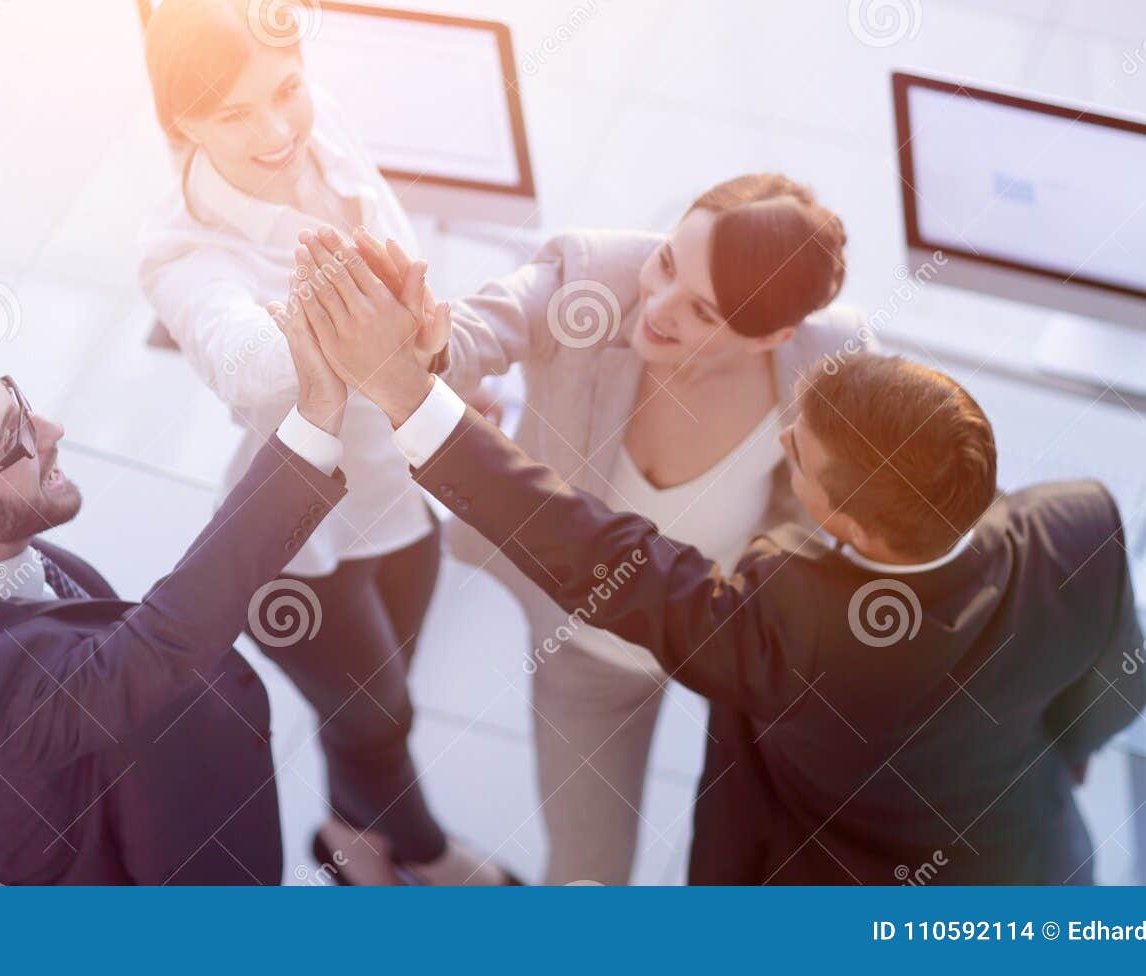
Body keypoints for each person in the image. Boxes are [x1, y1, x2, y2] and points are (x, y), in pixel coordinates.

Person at [273, 252, 1146, 885]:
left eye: (797, 458)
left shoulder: (789, 625)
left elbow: (598, 553)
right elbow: (1120, 695)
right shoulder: (1082, 524)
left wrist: (404, 397)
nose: (780, 449)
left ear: (848, 523)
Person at [319, 173, 867, 883]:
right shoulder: (590, 277)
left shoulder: (829, 356)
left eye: (702, 313)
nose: (658, 307)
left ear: (774, 336)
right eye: (666, 261)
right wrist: (423, 345)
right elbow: (478, 329)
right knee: (590, 876)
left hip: (736, 636)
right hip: (590, 652)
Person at [136, 0, 511, 884]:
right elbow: (254, 368)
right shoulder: (178, 249)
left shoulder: (319, 126)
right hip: (294, 540)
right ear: (182, 120)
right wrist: (367, 324)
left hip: (398, 487)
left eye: (287, 90)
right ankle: (424, 855)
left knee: (376, 708)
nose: (277, 131)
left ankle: (346, 840)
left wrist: (442, 360)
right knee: (378, 716)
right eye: (234, 113)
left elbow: (402, 265)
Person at [0, 332, 351, 885]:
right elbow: (165, 639)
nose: (51, 430)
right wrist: (315, 420)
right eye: (14, 439)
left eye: (15, 399)